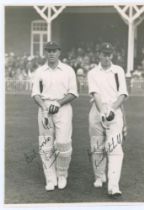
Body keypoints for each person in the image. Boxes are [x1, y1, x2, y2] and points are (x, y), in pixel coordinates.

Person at [31, 41, 78, 191]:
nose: (51, 53)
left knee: (63, 143)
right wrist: (44, 108)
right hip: (44, 109)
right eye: (48, 50)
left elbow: (73, 93)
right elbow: (35, 94)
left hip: (62, 108)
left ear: (59, 52)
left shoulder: (68, 70)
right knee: (46, 145)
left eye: (54, 50)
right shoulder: (40, 71)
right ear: (45, 52)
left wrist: (58, 103)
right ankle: (50, 179)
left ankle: (62, 175)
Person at [87, 42, 128, 198]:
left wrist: (111, 110)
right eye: (104, 54)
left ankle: (113, 185)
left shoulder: (118, 71)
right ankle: (99, 176)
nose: (107, 57)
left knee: (115, 148)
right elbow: (95, 94)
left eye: (109, 54)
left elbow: (122, 94)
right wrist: (103, 111)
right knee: (97, 145)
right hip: (97, 111)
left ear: (112, 55)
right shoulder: (92, 73)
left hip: (114, 110)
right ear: (99, 54)